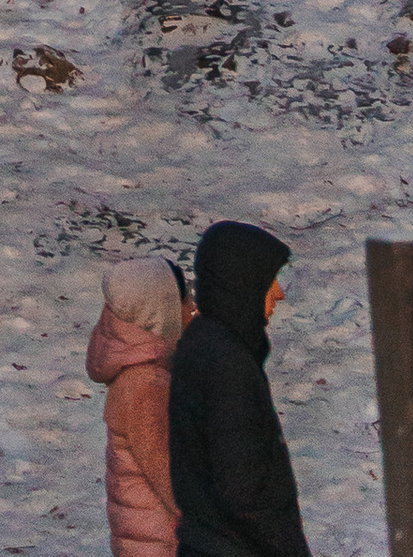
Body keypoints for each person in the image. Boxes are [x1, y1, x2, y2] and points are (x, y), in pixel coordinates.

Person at [170, 220, 310, 557]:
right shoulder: (226, 363)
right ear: (242, 283)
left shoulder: (205, 345)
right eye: (269, 281)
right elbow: (246, 489)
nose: (279, 292)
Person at [88, 254, 187, 555]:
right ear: (159, 311)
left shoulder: (137, 373)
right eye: (182, 300)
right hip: (161, 546)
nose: (190, 308)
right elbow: (173, 482)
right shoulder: (147, 384)